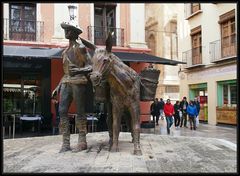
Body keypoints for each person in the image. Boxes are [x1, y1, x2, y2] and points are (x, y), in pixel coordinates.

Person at [51, 12, 95, 153]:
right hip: (66, 82)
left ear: (75, 33)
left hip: (79, 82)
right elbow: (66, 73)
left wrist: (79, 70)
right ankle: (65, 143)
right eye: (65, 30)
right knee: (62, 111)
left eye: (69, 30)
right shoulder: (64, 52)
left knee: (80, 112)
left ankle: (82, 141)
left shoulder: (81, 49)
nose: (66, 32)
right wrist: (57, 87)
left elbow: (91, 66)